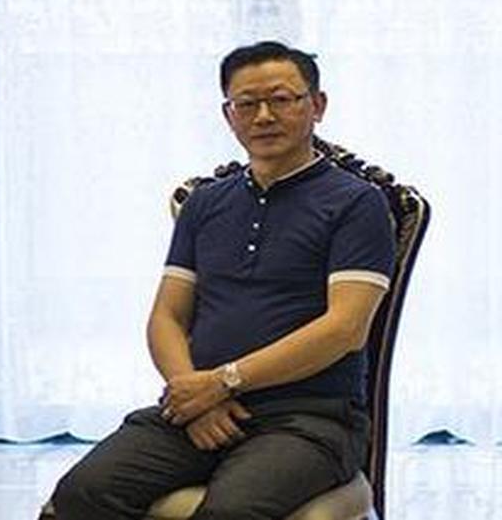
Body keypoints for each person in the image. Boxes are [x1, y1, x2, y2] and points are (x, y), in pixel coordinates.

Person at [51, 41, 396, 520]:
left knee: (230, 513)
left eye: (281, 99)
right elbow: (167, 316)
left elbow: (345, 329)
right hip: (198, 407)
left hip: (308, 419)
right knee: (81, 493)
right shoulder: (205, 204)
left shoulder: (357, 204)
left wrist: (224, 382)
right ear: (228, 114)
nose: (263, 116)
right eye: (246, 104)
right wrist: (194, 394)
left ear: (317, 106)